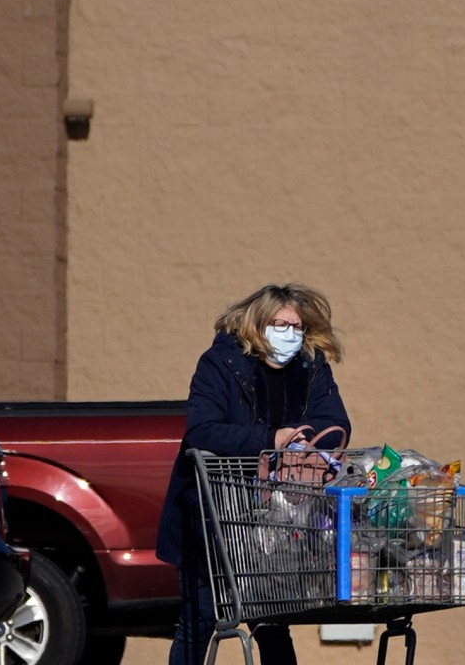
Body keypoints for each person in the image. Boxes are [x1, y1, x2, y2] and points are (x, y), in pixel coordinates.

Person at [155, 284, 353, 665]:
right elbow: (201, 431)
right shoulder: (222, 364)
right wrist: (269, 439)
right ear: (257, 326)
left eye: (296, 326)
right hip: (213, 512)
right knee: (199, 621)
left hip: (273, 518)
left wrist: (302, 443)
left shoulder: (311, 367)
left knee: (273, 619)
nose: (289, 333)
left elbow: (334, 421)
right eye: (279, 324)